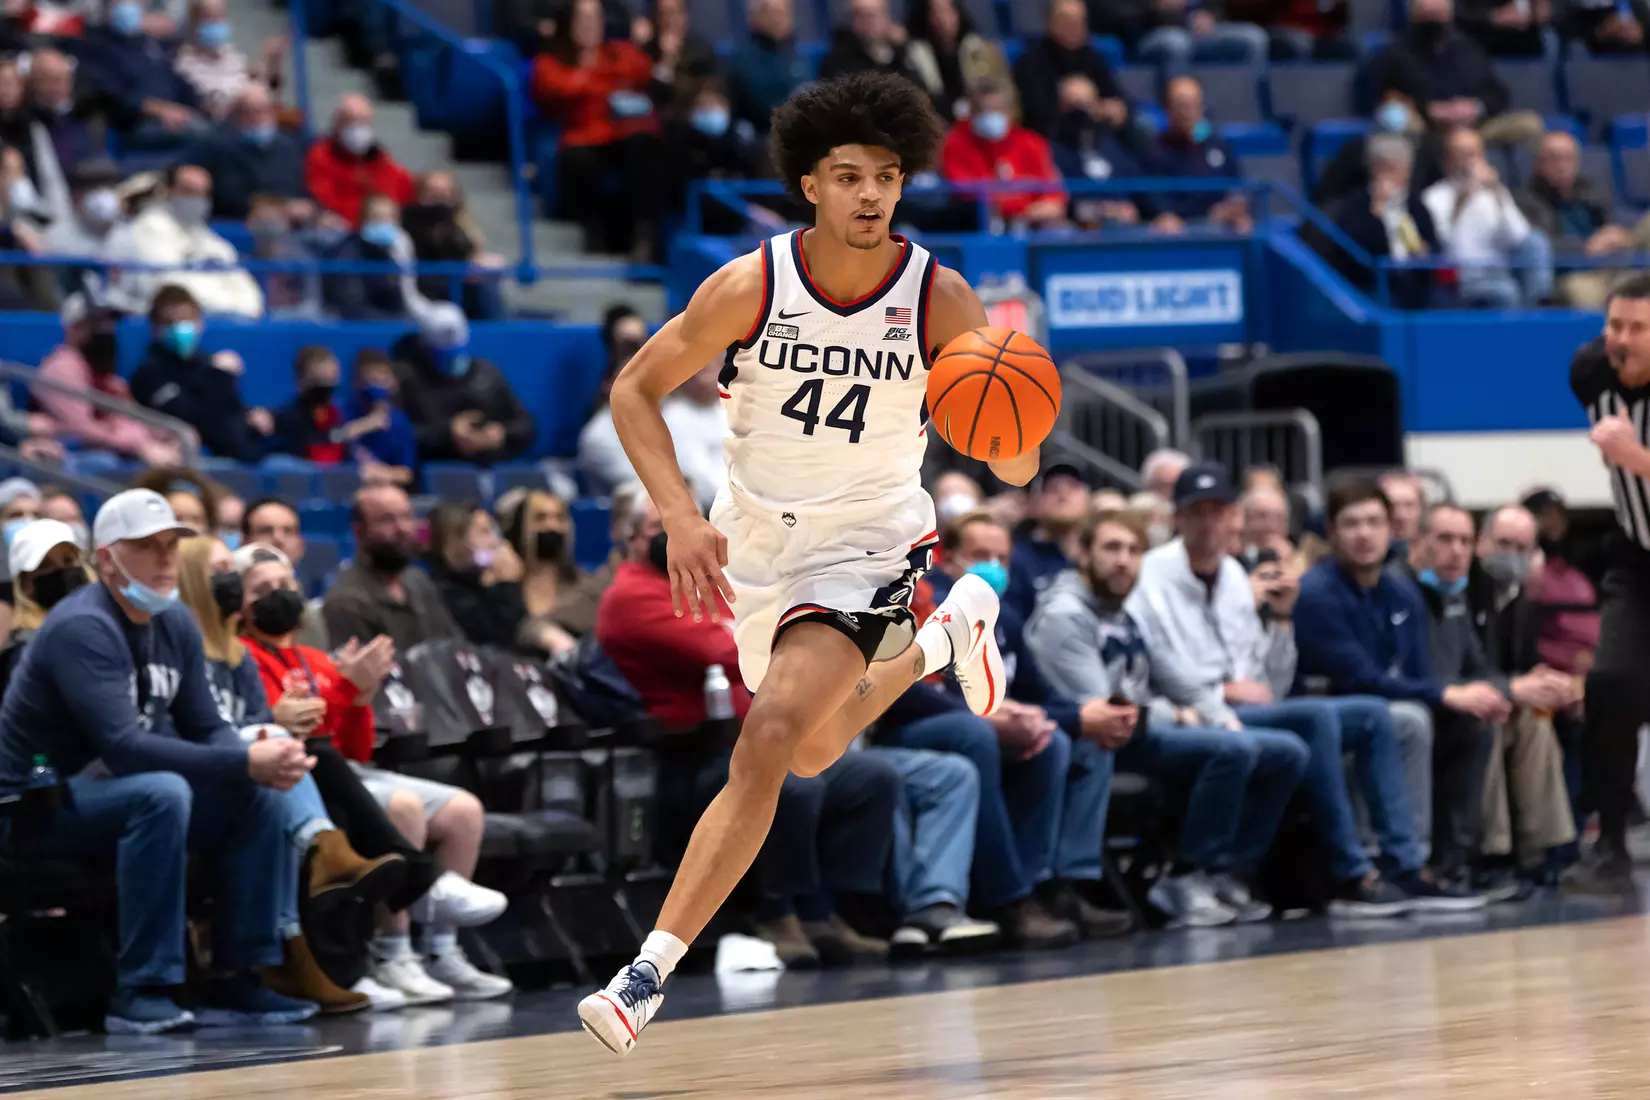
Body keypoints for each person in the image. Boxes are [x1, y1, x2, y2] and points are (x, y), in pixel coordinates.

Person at [576, 71, 1039, 1056]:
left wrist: (1016, 399)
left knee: (771, 732)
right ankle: (944, 635)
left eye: (885, 175)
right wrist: (676, 515)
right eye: (847, 176)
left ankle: (645, 970)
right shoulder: (753, 283)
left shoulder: (938, 295)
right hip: (757, 545)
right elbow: (634, 390)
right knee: (817, 749)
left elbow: (1016, 459)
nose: (870, 194)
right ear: (811, 186)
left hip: (868, 539)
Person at [0, 490, 318, 1033]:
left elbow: (205, 725)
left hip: (110, 789)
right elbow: (123, 746)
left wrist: (256, 756)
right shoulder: (84, 627)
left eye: (172, 544)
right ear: (106, 558)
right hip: (34, 801)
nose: (167, 557)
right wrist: (243, 763)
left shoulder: (176, 624)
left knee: (259, 794)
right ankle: (142, 988)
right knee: (164, 793)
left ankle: (239, 976)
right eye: (147, 546)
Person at [1135, 463, 1479, 912]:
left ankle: (1405, 864)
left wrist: (1280, 622)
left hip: (1248, 708)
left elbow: (1269, 683)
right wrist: (1220, 690)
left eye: (1216, 511)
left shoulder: (1236, 578)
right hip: (1193, 710)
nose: (1208, 522)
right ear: (1177, 518)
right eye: (1196, 512)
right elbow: (1157, 662)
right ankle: (1351, 872)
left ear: (1231, 517)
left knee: (1374, 714)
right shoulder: (1153, 575)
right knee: (1316, 715)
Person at [593, 492, 904, 968]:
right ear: (632, 539)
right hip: (689, 754)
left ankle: (826, 910)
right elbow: (726, 649)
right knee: (794, 787)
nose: (670, 534)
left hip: (763, 733)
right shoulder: (629, 595)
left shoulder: (709, 577)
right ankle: (774, 914)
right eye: (657, 527)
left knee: (871, 779)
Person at [233, 541, 513, 1002]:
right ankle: (393, 951)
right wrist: (346, 689)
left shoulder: (314, 658)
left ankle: (443, 950)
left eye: (285, 584)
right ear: (239, 604)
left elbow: (356, 749)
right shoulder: (246, 657)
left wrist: (361, 697)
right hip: (301, 777)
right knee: (403, 807)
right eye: (263, 588)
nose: (278, 593)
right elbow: (304, 739)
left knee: (464, 810)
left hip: (347, 773)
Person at [1027, 509, 1310, 925]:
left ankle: (1229, 870)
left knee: (1286, 752)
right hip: (1102, 741)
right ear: (1083, 556)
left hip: (1144, 728)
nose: (1123, 560)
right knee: (1231, 751)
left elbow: (1181, 678)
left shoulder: (1125, 610)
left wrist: (1219, 718)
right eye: (1111, 548)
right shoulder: (1065, 615)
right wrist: (1176, 715)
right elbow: (1107, 711)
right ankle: (1184, 875)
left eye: (1133, 550)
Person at [172, 534, 405, 1014]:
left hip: (264, 776)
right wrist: (280, 724)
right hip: (204, 781)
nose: (231, 584)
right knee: (287, 772)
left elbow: (355, 745)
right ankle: (333, 874)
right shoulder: (195, 651)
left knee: (288, 778)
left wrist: (356, 697)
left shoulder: (235, 656)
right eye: (221, 571)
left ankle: (317, 948)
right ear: (194, 581)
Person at [904, 511, 1136, 940]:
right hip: (912, 726)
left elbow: (1039, 693)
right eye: (980, 555)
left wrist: (1078, 716)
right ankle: (1006, 898)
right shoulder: (924, 607)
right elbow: (905, 692)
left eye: (1002, 557)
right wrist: (983, 715)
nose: (992, 566)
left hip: (973, 725)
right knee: (978, 735)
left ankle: (1042, 888)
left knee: (1056, 742)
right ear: (948, 558)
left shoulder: (1003, 618)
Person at [1558, 275, 1650, 893]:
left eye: (1636, 329)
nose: (1619, 340)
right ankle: (1610, 844)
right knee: (1611, 683)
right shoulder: (1590, 369)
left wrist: (1636, 457)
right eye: (1613, 325)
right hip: (1638, 558)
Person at [1468, 504, 1578, 884]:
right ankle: (1492, 852)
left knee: (1539, 717)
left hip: (1507, 701)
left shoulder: (1521, 602)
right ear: (1480, 544)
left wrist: (1551, 685)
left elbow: (1526, 667)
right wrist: (1515, 687)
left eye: (1521, 547)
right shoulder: (1462, 592)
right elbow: (1460, 669)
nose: (1510, 555)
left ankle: (1541, 848)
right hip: (1468, 705)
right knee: (1496, 716)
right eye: (1503, 543)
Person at [530, 0, 663, 257]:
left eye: (596, 18)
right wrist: (604, 82)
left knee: (644, 145)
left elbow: (647, 73)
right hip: (581, 138)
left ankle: (644, 238)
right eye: (584, 19)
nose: (591, 25)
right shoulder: (551, 61)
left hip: (620, 134)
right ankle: (593, 236)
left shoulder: (619, 52)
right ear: (569, 23)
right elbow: (557, 90)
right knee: (579, 160)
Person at [33, 294, 183, 467]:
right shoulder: (62, 368)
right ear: (74, 328)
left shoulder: (102, 372)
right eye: (97, 323)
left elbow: (130, 417)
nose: (107, 330)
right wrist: (139, 446)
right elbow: (81, 430)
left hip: (121, 451)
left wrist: (168, 435)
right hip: (74, 456)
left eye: (110, 323)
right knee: (105, 462)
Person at [129, 286, 274, 462]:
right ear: (155, 328)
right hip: (183, 457)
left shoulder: (209, 363)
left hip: (236, 456)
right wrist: (220, 377)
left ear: (199, 324)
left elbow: (230, 413)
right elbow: (188, 417)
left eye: (185, 320)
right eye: (169, 322)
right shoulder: (148, 373)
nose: (179, 328)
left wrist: (249, 415)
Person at [106, 163, 265, 318]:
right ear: (169, 191)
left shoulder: (208, 237)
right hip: (174, 322)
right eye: (189, 191)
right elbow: (170, 285)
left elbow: (245, 289)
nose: (198, 200)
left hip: (221, 318)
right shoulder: (150, 227)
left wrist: (242, 308)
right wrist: (229, 305)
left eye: (204, 193)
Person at [1421, 125, 1551, 309]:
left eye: (1474, 154)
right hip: (1462, 276)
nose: (1468, 162)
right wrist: (1461, 202)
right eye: (1462, 154)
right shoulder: (1434, 197)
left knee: (1537, 240)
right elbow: (1443, 244)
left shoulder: (1494, 191)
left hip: (1499, 268)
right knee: (1505, 292)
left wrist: (1498, 194)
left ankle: (1536, 309)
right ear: (1448, 161)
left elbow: (1519, 236)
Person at [323, 485, 462, 655]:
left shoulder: (418, 581)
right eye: (387, 520)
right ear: (359, 531)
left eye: (407, 517)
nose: (402, 528)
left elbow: (455, 648)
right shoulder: (346, 600)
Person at [392, 302, 535, 465]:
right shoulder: (409, 379)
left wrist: (502, 433)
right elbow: (397, 435)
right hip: (436, 469)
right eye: (441, 352)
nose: (452, 357)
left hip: (489, 466)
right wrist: (448, 433)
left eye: (457, 348)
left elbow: (525, 425)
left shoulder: (487, 374)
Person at [940, 78, 1068, 231]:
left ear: (1011, 111)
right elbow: (967, 196)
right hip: (977, 225)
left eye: (997, 109)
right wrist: (1015, 208)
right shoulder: (954, 144)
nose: (991, 115)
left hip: (1032, 224)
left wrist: (1023, 214)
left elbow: (1054, 198)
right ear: (971, 112)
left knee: (1062, 232)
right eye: (983, 110)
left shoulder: (1032, 143)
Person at [1142, 75, 1251, 235]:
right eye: (1182, 106)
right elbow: (1154, 197)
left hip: (1220, 227)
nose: (1189, 113)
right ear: (1168, 110)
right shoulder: (1155, 151)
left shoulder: (1218, 146)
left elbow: (1237, 187)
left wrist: (1235, 207)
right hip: (1181, 231)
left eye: (1195, 105)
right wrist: (1165, 214)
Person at [498, 487, 602, 645]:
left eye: (559, 518)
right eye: (540, 518)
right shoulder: (506, 588)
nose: (552, 526)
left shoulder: (585, 585)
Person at [191, 83, 306, 221]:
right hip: (244, 221)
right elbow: (230, 196)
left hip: (294, 220)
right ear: (238, 115)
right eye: (251, 112)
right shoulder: (222, 149)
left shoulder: (288, 146)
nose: (259, 118)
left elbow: (301, 186)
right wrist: (280, 207)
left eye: (265, 110)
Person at [427, 502, 529, 651]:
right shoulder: (443, 592)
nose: (495, 541)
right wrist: (508, 585)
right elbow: (501, 640)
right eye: (484, 532)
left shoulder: (483, 584)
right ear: (454, 541)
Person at [304, 94, 415, 224]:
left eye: (363, 121)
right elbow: (324, 199)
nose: (358, 127)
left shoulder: (379, 158)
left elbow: (401, 191)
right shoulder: (320, 156)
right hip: (342, 228)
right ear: (337, 124)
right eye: (351, 120)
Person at [903, 0, 1012, 122]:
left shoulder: (982, 50)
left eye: (947, 11)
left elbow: (1005, 95)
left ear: (958, 12)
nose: (942, 19)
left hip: (979, 124)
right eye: (935, 12)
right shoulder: (915, 56)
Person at [243, 497, 328, 649]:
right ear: (244, 542)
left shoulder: (313, 618)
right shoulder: (233, 610)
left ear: (300, 545)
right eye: (266, 531)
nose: (278, 538)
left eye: (288, 531)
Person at [725, 0, 809, 136]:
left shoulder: (801, 55)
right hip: (765, 138)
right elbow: (760, 105)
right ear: (752, 18)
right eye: (772, 12)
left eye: (784, 12)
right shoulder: (741, 63)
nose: (780, 18)